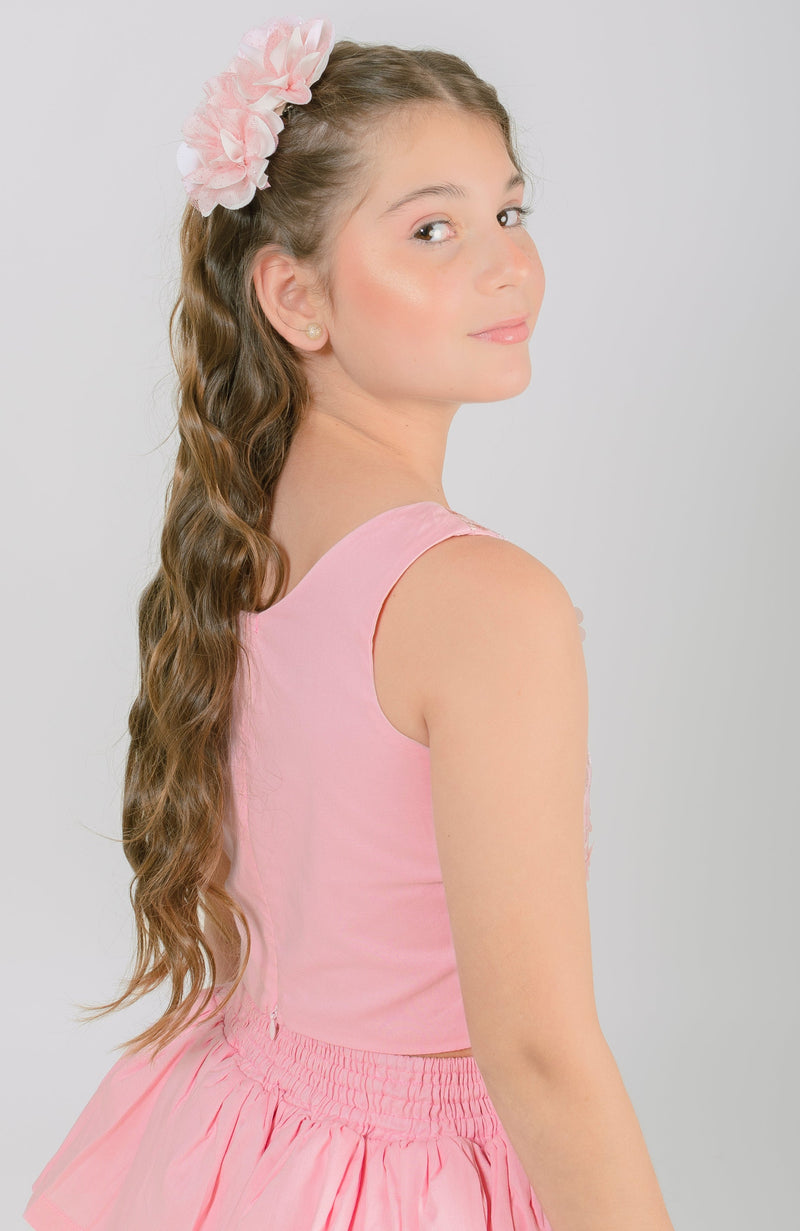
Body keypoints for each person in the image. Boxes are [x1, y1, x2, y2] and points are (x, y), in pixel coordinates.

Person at [24, 16, 675, 1231]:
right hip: (404, 1186)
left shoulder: (244, 530)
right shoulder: (484, 604)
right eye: (432, 228)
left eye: (510, 211)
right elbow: (537, 1054)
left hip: (242, 1142)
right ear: (296, 296)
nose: (505, 263)